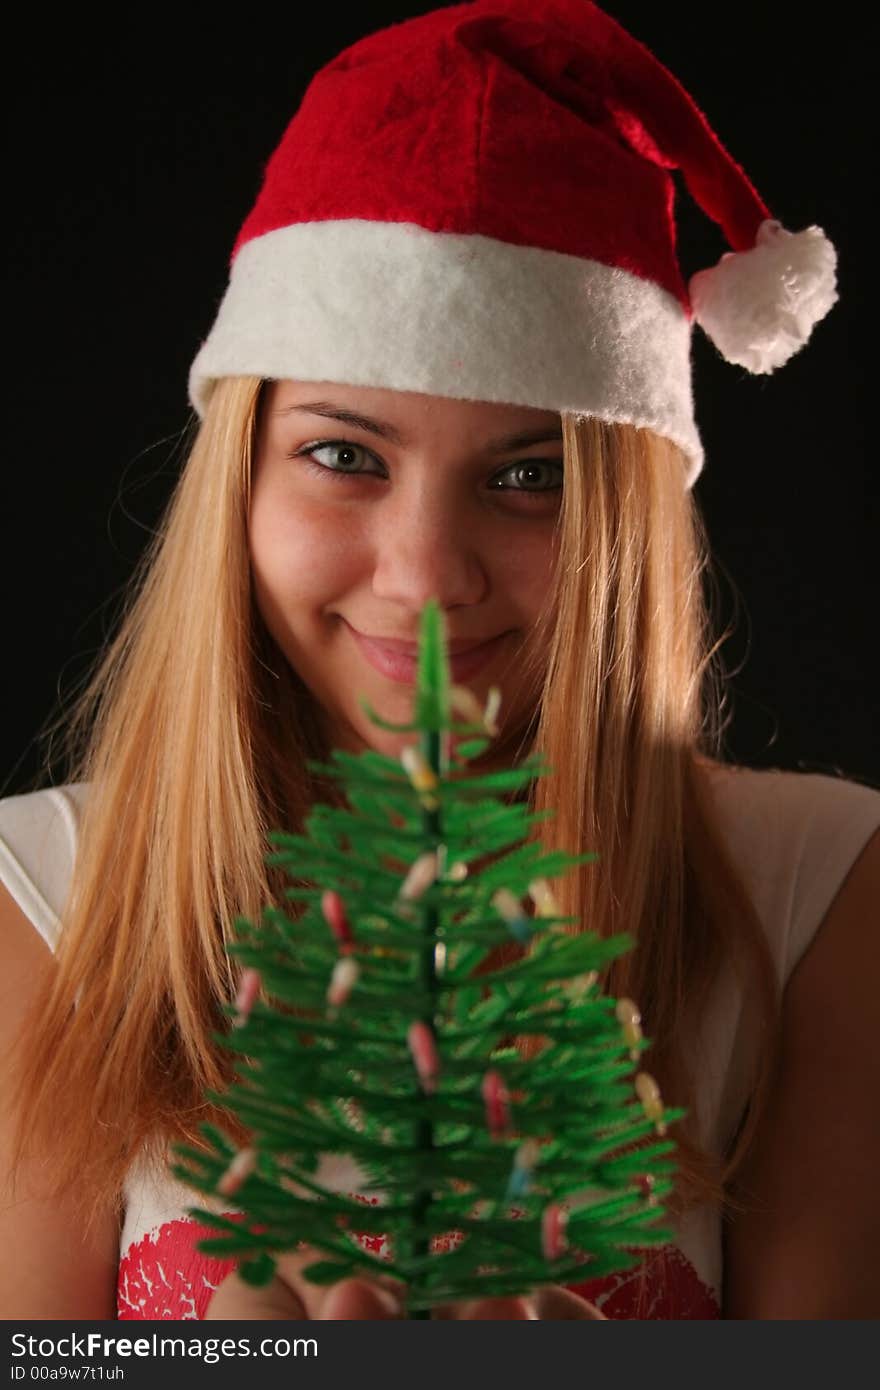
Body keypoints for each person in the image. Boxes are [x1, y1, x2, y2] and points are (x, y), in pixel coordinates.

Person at [1, 0, 877, 1322]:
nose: (425, 575)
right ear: (237, 476)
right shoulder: (43, 901)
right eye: (344, 454)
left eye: (529, 475)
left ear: (625, 515)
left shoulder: (819, 894)